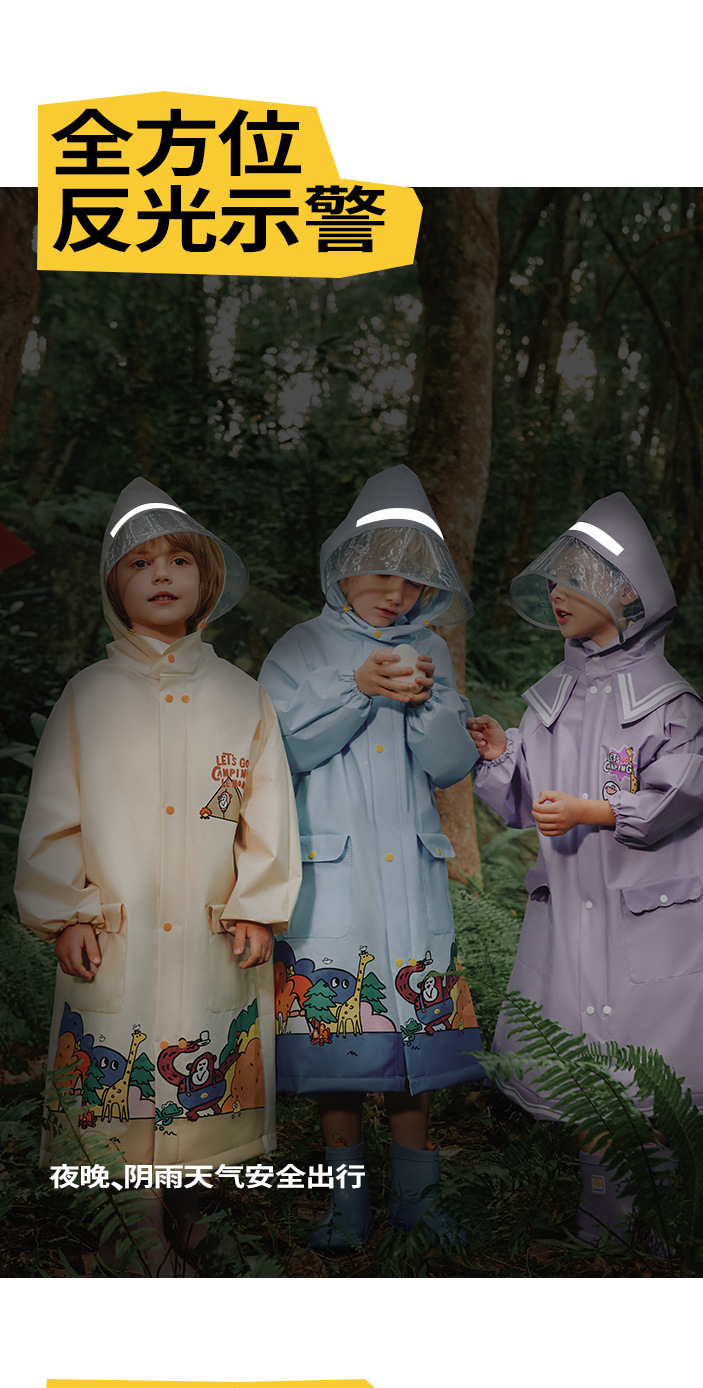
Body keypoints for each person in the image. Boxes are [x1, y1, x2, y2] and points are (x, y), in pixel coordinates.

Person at [468, 492, 703, 1243]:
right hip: (572, 908)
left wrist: (600, 811)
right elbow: (524, 803)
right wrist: (501, 758)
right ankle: (606, 1216)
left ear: (627, 590)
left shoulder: (667, 701)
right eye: (554, 580)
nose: (557, 593)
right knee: (581, 1058)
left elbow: (695, 777)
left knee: (650, 1062)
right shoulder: (552, 697)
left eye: (576, 579)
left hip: (647, 912)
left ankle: (663, 1213)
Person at [15, 477, 301, 1274]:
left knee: (202, 1065)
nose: (161, 573)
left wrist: (257, 905)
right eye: (140, 563)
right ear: (116, 588)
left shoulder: (242, 697)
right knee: (120, 1067)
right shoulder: (89, 696)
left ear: (207, 581)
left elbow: (268, 813)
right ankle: (136, 1235)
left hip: (211, 931)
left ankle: (189, 1209)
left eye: (179, 559)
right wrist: (68, 910)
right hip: (117, 930)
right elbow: (54, 813)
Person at [259, 464, 482, 1250]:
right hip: (333, 882)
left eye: (415, 580)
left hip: (412, 880)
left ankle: (419, 1204)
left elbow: (450, 766)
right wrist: (356, 687)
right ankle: (345, 1206)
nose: (398, 593)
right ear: (347, 565)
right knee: (342, 1047)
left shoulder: (431, 649)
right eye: (383, 573)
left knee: (413, 1043)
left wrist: (430, 705)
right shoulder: (301, 646)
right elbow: (278, 749)